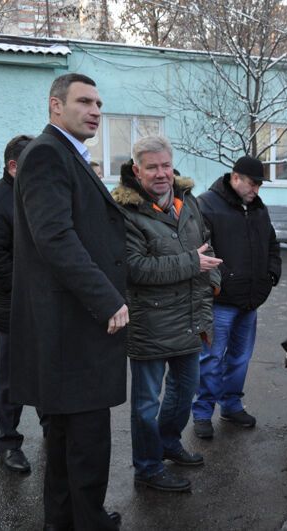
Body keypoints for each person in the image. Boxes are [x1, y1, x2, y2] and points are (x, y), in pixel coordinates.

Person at [11, 73, 128, 530]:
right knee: (85, 444)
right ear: (55, 106)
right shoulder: (46, 154)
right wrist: (107, 299)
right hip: (73, 330)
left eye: (98, 102)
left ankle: (71, 520)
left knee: (65, 446)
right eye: (84, 101)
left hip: (71, 331)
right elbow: (55, 238)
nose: (95, 110)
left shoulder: (65, 154)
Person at [112, 136, 221, 492]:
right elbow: (135, 268)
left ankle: (168, 442)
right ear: (136, 170)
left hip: (189, 316)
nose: (161, 174)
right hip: (150, 321)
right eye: (152, 167)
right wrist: (194, 264)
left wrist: (213, 279)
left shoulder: (187, 201)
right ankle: (147, 467)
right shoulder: (125, 212)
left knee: (184, 389)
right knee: (146, 403)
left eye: (166, 166)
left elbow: (205, 244)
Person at [0, 134, 50, 474]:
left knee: (50, 372)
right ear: (13, 166)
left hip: (52, 307)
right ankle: (8, 442)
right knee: (10, 379)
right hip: (14, 307)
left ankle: (53, 430)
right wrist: (30, 291)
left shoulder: (45, 196)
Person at [193, 156, 281, 439]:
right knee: (211, 357)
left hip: (250, 299)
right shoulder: (206, 204)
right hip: (220, 301)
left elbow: (271, 242)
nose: (256, 189)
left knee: (240, 358)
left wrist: (272, 273)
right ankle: (203, 412)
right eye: (253, 183)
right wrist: (224, 280)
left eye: (259, 185)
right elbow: (201, 250)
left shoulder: (257, 208)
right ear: (235, 178)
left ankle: (231, 405)